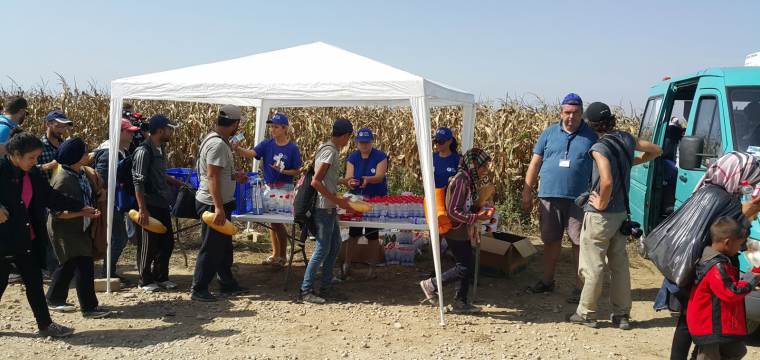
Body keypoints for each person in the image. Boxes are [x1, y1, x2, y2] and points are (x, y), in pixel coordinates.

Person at [567, 102, 662, 329]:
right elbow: (656, 150)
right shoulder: (626, 139)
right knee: (619, 265)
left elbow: (606, 180)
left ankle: (586, 312)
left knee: (594, 265)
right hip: (621, 215)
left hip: (600, 217)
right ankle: (621, 315)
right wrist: (635, 161)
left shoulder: (599, 148)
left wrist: (600, 201)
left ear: (591, 124)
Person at [659, 152, 760, 359]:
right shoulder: (727, 201)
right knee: (705, 324)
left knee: (688, 321)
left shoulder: (706, 190)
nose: (747, 185)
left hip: (690, 266)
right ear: (737, 173)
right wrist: (749, 213)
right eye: (747, 178)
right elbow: (736, 234)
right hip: (710, 270)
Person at [0, 133, 97, 337]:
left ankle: (45, 325)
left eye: (37, 158)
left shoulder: (32, 174)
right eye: (31, 158)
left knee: (34, 283)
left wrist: (81, 207)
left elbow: (50, 197)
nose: (36, 162)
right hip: (4, 240)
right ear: (16, 155)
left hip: (27, 238)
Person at [523, 93, 597, 303]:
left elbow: (600, 167)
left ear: (582, 113)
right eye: (567, 112)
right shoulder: (548, 134)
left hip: (579, 199)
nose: (571, 117)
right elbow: (534, 164)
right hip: (549, 196)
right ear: (561, 112)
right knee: (550, 240)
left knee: (579, 243)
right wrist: (527, 191)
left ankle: (580, 287)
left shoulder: (591, 136)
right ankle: (547, 281)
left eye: (575, 113)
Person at [419, 148, 494, 313]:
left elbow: (464, 205)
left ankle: (460, 302)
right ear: (473, 165)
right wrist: (476, 217)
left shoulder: (467, 179)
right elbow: (453, 211)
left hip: (460, 228)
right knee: (464, 266)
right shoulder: (461, 180)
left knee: (466, 263)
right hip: (456, 230)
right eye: (483, 166)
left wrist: (479, 208)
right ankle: (431, 284)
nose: (485, 170)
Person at [45, 138, 110, 319]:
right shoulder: (64, 180)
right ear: (76, 157)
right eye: (83, 152)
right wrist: (83, 213)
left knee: (69, 263)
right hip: (66, 228)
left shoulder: (79, 173)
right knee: (83, 264)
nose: (87, 154)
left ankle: (54, 298)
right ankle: (89, 307)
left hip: (78, 226)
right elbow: (57, 212)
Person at [192, 105, 249, 302]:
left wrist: (234, 176)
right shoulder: (217, 144)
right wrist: (218, 208)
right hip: (212, 203)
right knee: (212, 247)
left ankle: (227, 283)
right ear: (234, 124)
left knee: (224, 247)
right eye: (238, 124)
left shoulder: (218, 141)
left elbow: (220, 173)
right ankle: (199, 288)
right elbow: (212, 176)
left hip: (220, 202)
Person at [233, 112, 303, 268]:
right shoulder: (267, 144)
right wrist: (238, 149)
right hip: (269, 187)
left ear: (285, 128)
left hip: (284, 189)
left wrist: (283, 172)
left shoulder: (292, 148)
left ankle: (283, 256)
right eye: (272, 126)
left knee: (279, 223)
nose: (273, 129)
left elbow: (298, 170)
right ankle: (275, 253)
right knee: (272, 222)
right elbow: (252, 153)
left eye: (276, 127)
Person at [300, 117, 355, 304]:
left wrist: (342, 182)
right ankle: (306, 290)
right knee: (323, 248)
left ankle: (326, 285)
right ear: (345, 135)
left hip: (329, 206)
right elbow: (316, 181)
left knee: (335, 245)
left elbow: (326, 178)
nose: (348, 141)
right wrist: (339, 200)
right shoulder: (330, 152)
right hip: (323, 207)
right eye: (349, 137)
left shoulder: (328, 149)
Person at [686, 217, 757, 360]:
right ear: (727, 242)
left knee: (737, 351)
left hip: (715, 323)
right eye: (739, 245)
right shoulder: (716, 266)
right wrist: (750, 282)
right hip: (708, 324)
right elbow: (730, 292)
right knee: (708, 356)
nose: (739, 249)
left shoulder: (716, 259)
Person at [132, 114, 184, 292]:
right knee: (148, 244)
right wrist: (142, 209)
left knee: (166, 242)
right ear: (160, 130)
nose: (171, 132)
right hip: (148, 204)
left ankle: (161, 276)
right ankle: (145, 280)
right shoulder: (143, 151)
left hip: (161, 203)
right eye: (169, 129)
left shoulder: (160, 148)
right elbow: (138, 181)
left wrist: (174, 182)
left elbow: (158, 173)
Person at [93, 119, 140, 282]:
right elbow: (102, 178)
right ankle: (108, 273)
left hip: (115, 200)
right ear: (118, 132)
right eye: (129, 131)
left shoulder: (119, 149)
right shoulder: (108, 152)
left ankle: (109, 271)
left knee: (118, 237)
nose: (132, 134)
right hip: (110, 202)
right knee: (118, 237)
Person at [340, 127, 388, 280]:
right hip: (358, 201)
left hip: (375, 200)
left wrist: (368, 179)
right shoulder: (353, 157)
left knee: (373, 235)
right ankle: (347, 264)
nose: (364, 145)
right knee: (354, 233)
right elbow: (348, 177)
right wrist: (351, 182)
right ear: (357, 143)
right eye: (361, 142)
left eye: (367, 142)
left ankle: (372, 268)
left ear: (371, 142)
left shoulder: (380, 156)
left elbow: (380, 176)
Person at [38, 110, 73, 182]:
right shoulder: (38, 146)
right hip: (46, 190)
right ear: (48, 124)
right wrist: (47, 166)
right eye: (58, 126)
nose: (62, 130)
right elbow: (28, 169)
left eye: (64, 127)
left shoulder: (65, 146)